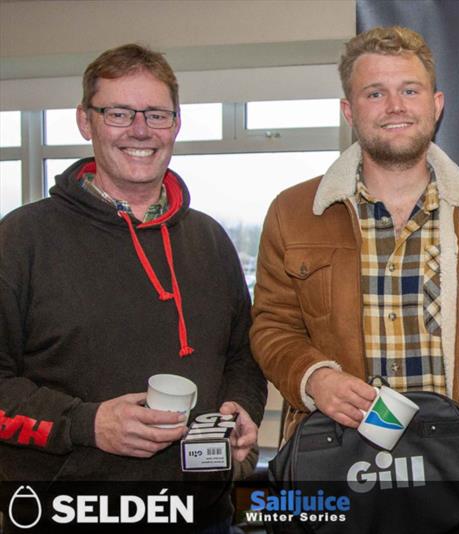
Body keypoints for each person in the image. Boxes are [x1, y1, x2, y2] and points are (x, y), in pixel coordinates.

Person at [250, 26, 459, 533]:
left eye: (409, 90)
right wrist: (315, 377)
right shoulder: (292, 213)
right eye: (374, 93)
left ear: (437, 103)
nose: (395, 105)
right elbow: (271, 326)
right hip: (340, 477)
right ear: (349, 111)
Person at [0, 44, 267, 530]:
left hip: (202, 514)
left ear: (176, 124)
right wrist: (86, 423)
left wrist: (242, 409)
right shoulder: (21, 239)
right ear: (86, 121)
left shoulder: (209, 238)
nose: (140, 130)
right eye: (119, 112)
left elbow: (241, 356)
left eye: (157, 114)